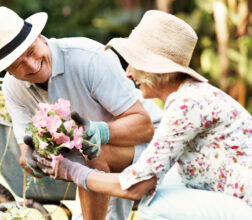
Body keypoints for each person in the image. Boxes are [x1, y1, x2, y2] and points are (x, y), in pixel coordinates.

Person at [35, 10, 252, 220]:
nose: (128, 72)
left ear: (155, 68)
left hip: (246, 207)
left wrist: (72, 171)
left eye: (134, 62)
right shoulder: (188, 97)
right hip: (235, 200)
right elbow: (146, 172)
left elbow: (136, 186)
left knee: (153, 206)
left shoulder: (187, 104)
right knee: (164, 184)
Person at [0, 6, 162, 220]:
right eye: (17, 65)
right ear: (7, 70)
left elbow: (145, 127)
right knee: (87, 151)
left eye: (30, 51)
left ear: (39, 37)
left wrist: (101, 131)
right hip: (94, 163)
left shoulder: (88, 58)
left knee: (89, 148)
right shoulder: (12, 87)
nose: (31, 65)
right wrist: (32, 157)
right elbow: (24, 152)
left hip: (153, 146)